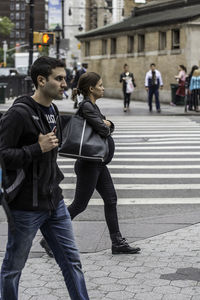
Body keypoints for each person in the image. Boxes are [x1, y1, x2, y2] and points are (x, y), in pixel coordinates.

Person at [0, 56, 89, 300]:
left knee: (72, 262)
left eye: (65, 78)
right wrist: (35, 149)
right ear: (41, 81)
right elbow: (2, 154)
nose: (65, 83)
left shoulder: (53, 109)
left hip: (53, 201)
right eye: (59, 78)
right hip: (26, 206)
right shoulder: (19, 113)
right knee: (12, 269)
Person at [69, 72, 140, 254]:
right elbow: (103, 129)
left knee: (111, 199)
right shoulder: (86, 106)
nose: (103, 88)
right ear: (91, 89)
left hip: (98, 164)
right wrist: (106, 124)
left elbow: (108, 126)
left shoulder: (92, 106)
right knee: (79, 205)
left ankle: (117, 242)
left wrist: (107, 124)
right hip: (89, 165)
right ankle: (48, 239)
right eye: (100, 85)